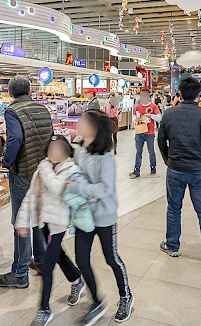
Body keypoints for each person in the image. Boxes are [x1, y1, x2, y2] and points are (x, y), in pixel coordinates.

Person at [72, 110, 133, 324]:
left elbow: (105, 188)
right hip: (84, 215)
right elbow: (75, 174)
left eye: (83, 121)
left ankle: (125, 296)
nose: (78, 123)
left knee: (111, 258)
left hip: (104, 215)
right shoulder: (79, 150)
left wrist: (80, 190)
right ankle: (96, 301)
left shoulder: (105, 157)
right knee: (81, 259)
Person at [16, 136, 85, 326]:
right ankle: (77, 280)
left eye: (58, 149)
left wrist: (44, 167)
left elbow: (56, 187)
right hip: (44, 222)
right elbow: (31, 195)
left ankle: (44, 309)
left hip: (59, 223)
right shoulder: (43, 168)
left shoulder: (69, 168)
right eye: (51, 149)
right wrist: (22, 221)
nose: (54, 153)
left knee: (47, 266)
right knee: (59, 255)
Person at [157, 76, 201, 271]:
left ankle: (172, 245)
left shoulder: (169, 114)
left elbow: (161, 141)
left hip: (176, 168)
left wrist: (168, 160)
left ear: (179, 93)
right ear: (198, 94)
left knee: (173, 208)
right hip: (200, 170)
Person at [0, 76, 51, 289]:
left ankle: (19, 272)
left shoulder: (12, 111)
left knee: (21, 220)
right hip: (43, 171)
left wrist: (6, 161)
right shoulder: (43, 110)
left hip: (24, 173)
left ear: (10, 92)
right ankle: (41, 261)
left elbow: (15, 138)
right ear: (29, 90)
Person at [129, 88, 161, 178]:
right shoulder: (138, 106)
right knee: (138, 152)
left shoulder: (153, 106)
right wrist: (136, 119)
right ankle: (136, 170)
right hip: (139, 132)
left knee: (151, 151)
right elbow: (134, 116)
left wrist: (150, 115)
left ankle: (153, 167)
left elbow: (159, 117)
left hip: (150, 132)